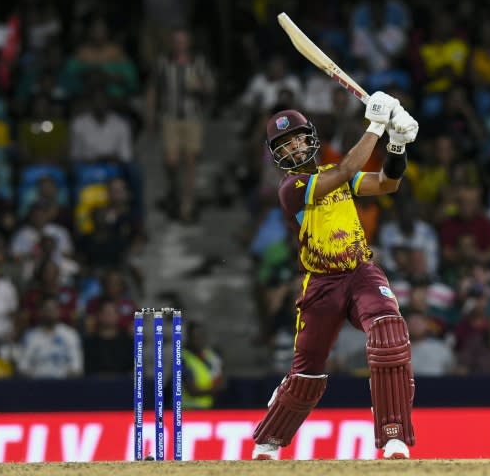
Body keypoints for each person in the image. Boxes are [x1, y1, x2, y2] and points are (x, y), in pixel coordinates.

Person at [251, 91, 418, 460]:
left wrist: (398, 144)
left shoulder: (334, 174)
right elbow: (345, 171)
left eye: (296, 138)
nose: (293, 147)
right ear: (276, 155)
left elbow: (387, 183)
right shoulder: (290, 189)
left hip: (360, 272)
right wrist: (375, 126)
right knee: (307, 375)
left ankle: (394, 434)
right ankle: (270, 439)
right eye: (284, 144)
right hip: (321, 284)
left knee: (389, 330)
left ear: (310, 137)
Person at [146, 28, 215, 223]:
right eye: (176, 41)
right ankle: (173, 191)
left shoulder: (198, 63)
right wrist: (150, 114)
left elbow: (210, 87)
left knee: (190, 161)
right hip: (170, 116)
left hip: (192, 117)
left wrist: (199, 87)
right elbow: (153, 88)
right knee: (171, 161)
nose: (179, 44)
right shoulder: (164, 63)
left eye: (182, 41)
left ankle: (187, 205)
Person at [182, 320, 224, 409]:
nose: (198, 340)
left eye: (201, 336)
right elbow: (191, 390)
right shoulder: (183, 358)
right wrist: (213, 390)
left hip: (209, 407)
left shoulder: (211, 356)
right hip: (189, 409)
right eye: (195, 337)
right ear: (188, 337)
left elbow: (220, 381)